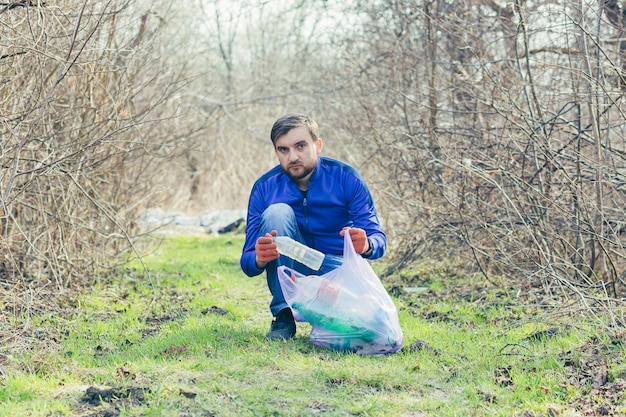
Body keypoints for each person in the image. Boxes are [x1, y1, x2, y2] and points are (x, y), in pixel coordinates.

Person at [239, 113, 386, 340]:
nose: (293, 156)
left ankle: (330, 318)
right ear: (276, 152)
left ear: (317, 145)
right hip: (292, 269)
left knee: (375, 325)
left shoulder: (346, 178)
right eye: (284, 150)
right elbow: (247, 262)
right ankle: (284, 314)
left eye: (300, 146)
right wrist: (259, 258)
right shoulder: (264, 188)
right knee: (277, 212)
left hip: (336, 271)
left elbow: (378, 239)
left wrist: (367, 244)